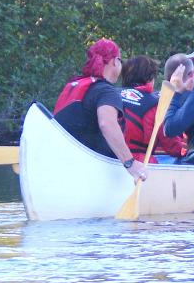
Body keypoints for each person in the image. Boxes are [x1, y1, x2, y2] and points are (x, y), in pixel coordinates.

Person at [52, 38, 147, 180]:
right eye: (120, 61)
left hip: (64, 164)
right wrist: (130, 163)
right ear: (115, 61)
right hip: (91, 169)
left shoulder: (73, 85)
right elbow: (107, 124)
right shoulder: (106, 91)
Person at [119, 55, 188, 163]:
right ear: (150, 79)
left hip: (107, 159)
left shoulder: (110, 95)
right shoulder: (155, 104)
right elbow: (173, 147)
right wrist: (188, 150)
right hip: (139, 164)